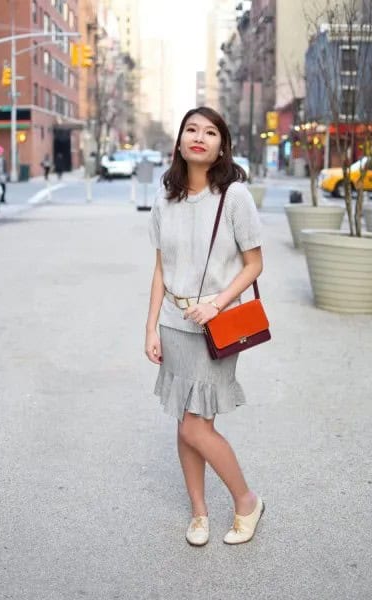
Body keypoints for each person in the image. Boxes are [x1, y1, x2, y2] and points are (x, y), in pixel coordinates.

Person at [146, 106, 265, 547]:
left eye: (210, 131)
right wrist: (151, 327)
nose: (200, 136)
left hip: (217, 327)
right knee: (185, 422)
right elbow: (160, 269)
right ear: (179, 142)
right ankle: (199, 513)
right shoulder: (166, 197)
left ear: (220, 146)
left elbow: (254, 264)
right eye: (191, 130)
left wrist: (217, 304)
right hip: (175, 325)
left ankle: (247, 501)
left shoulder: (234, 196)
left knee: (196, 427)